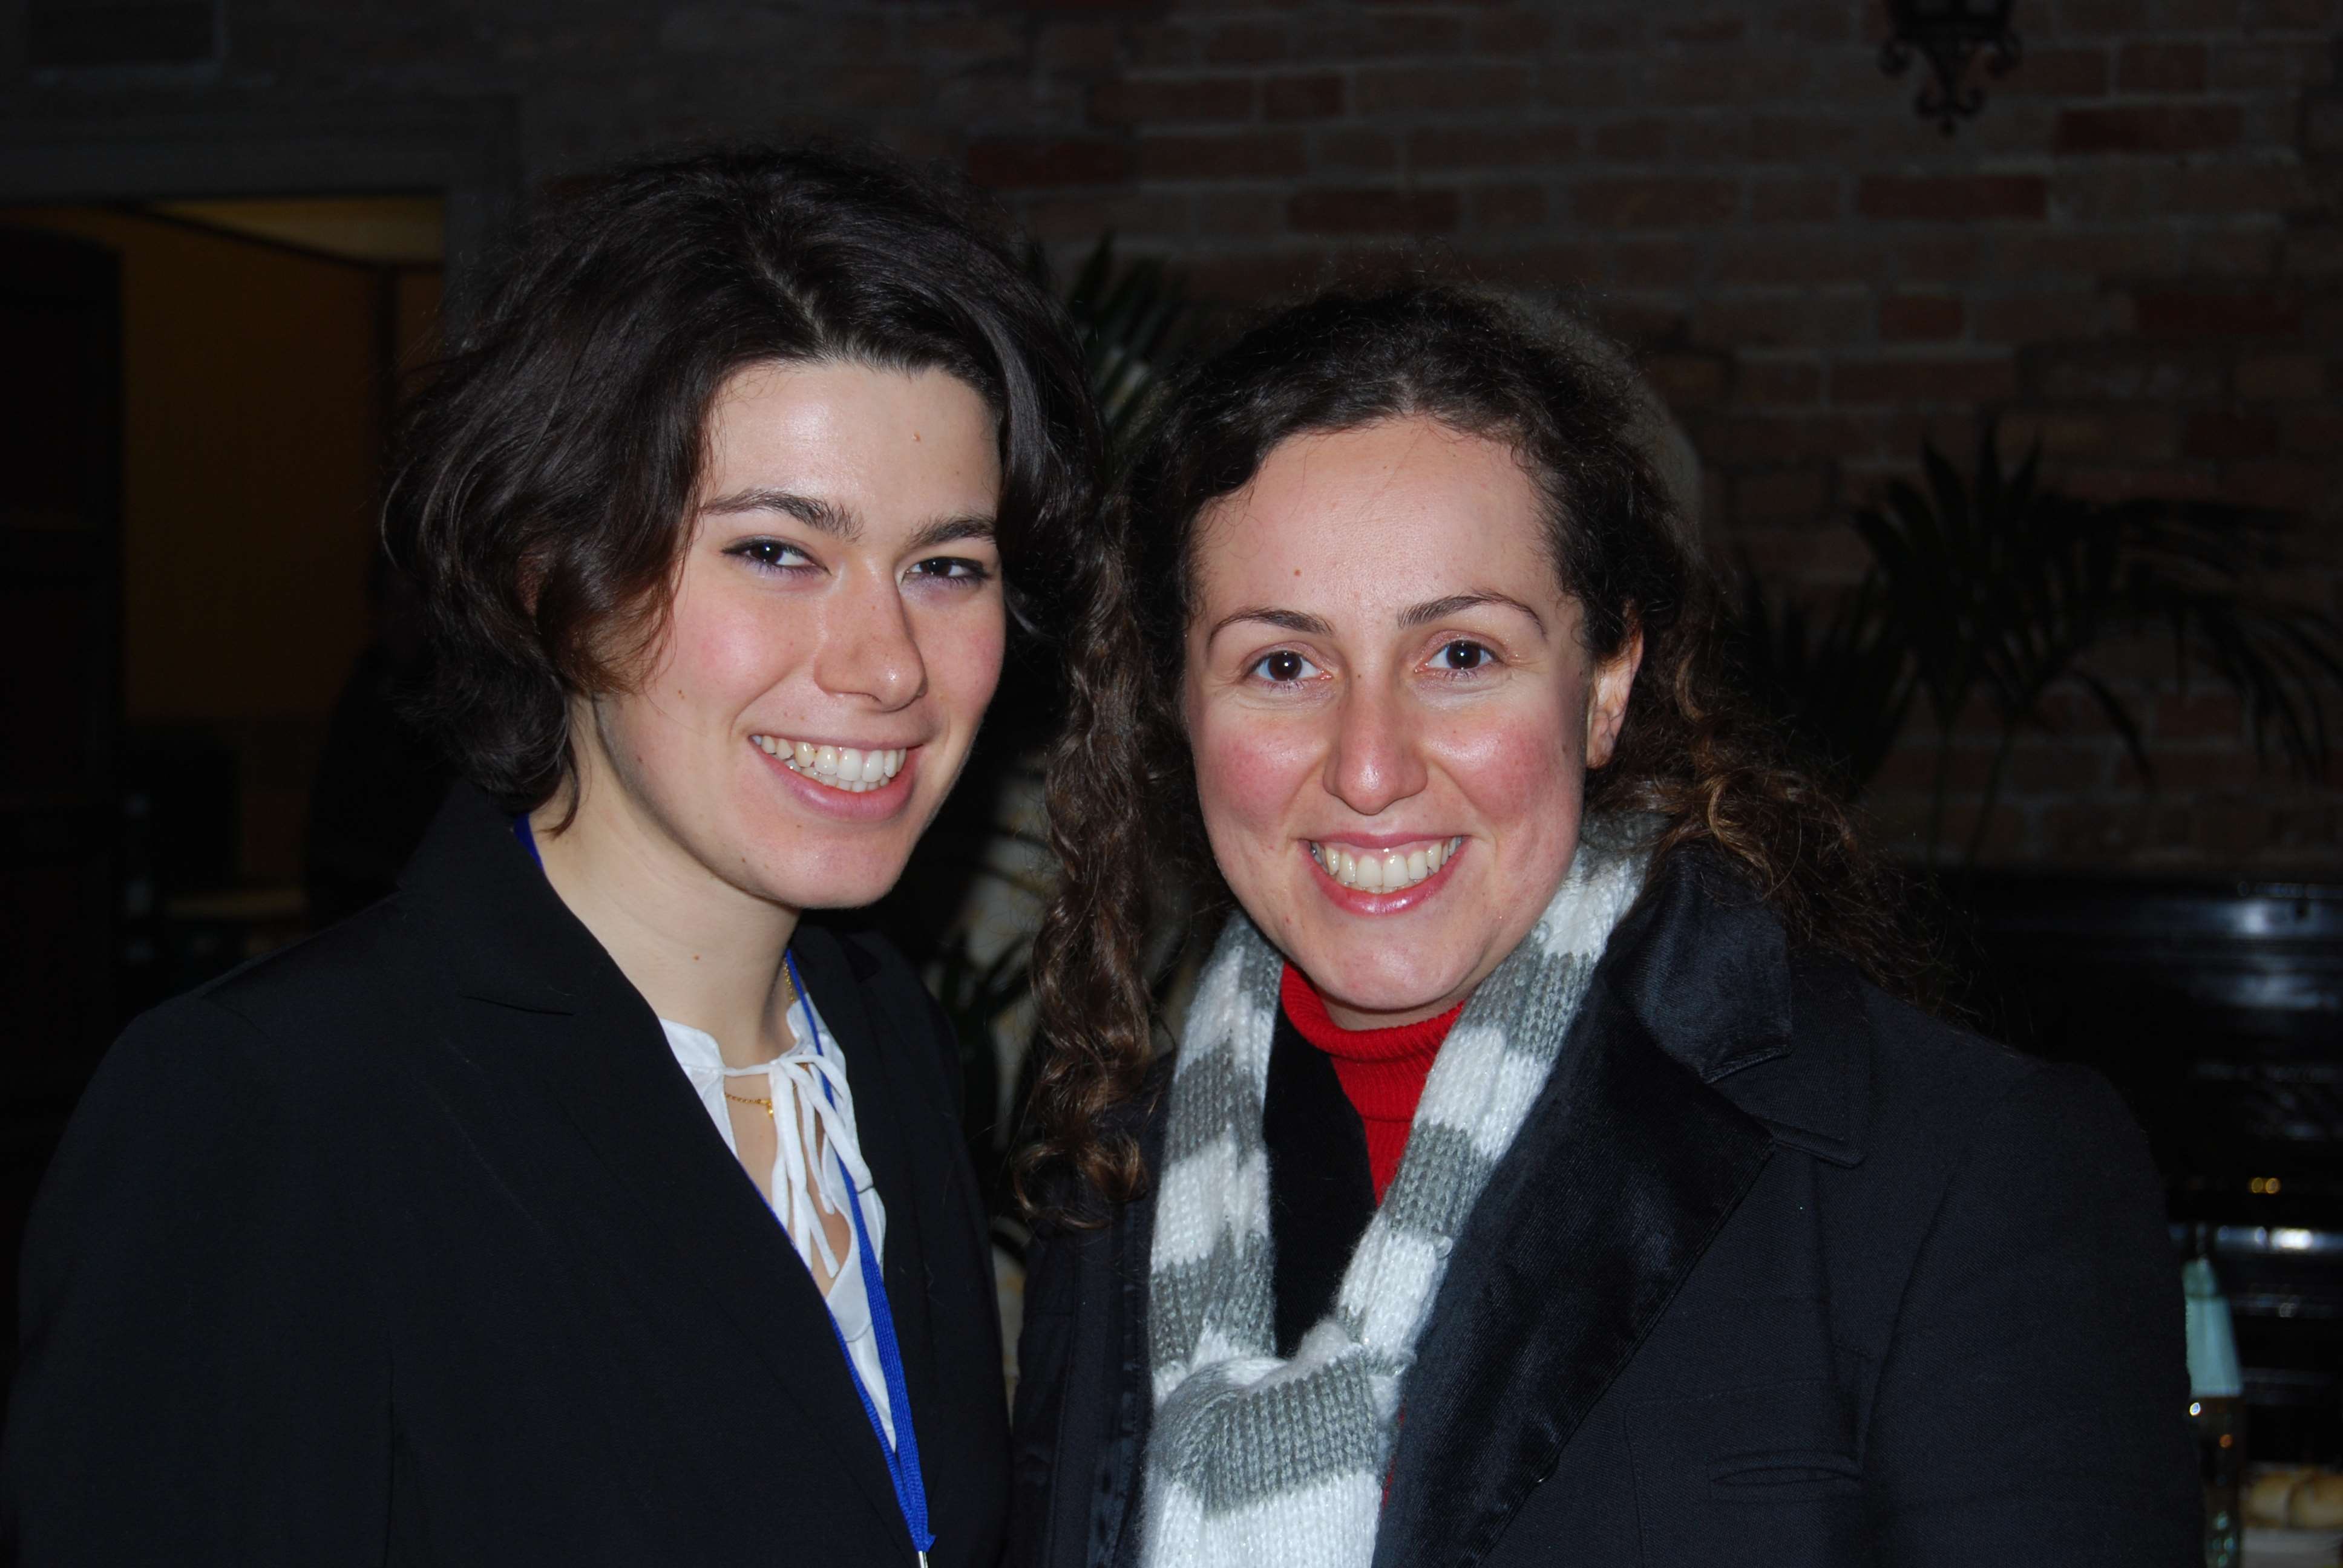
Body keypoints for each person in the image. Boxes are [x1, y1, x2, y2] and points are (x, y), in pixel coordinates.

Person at [4, 142, 1101, 1566]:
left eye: (945, 566)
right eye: (776, 552)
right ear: (553, 577)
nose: (888, 663)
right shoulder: (274, 1109)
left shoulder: (879, 1041)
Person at [1010, 284, 2197, 1568]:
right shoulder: (1113, 1192)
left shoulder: (1958, 1172)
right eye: (1282, 665)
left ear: (1605, 685)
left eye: (1460, 655)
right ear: (1181, 707)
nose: (1369, 767)